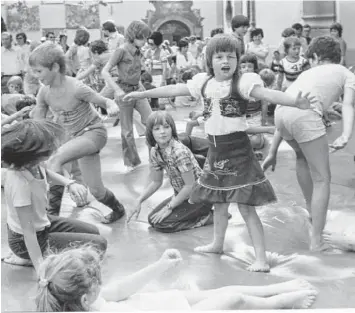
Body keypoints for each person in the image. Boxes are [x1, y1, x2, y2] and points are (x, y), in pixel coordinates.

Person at [123, 34, 316, 272]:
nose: (226, 61)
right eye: (220, 56)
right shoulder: (204, 82)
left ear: (237, 59)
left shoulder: (244, 82)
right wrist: (143, 95)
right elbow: (175, 87)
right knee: (219, 203)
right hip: (216, 150)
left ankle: (261, 259)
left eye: (231, 56)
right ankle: (217, 243)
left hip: (238, 151)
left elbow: (268, 95)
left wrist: (295, 102)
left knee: (246, 207)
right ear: (210, 60)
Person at [262, 36, 355, 251]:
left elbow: (288, 108)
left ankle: (313, 214)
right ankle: (317, 241)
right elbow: (349, 104)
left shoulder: (306, 73)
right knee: (323, 178)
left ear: (314, 57)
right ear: (339, 57)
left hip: (281, 115)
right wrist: (346, 134)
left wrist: (273, 151)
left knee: (302, 157)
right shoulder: (345, 73)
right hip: (305, 116)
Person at [35, 246, 318, 311]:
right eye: (98, 282)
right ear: (85, 299)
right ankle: (281, 301)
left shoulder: (81, 302)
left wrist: (159, 265)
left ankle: (279, 287)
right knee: (234, 298)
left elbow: (120, 290)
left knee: (225, 288)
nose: (103, 283)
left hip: (159, 304)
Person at [29, 43, 125, 224]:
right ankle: (118, 208)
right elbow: (39, 122)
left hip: (93, 133)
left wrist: (112, 106)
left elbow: (104, 101)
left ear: (55, 67)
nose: (36, 76)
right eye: (33, 71)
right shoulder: (44, 92)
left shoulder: (76, 87)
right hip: (73, 138)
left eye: (39, 71)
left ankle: (51, 219)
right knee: (96, 190)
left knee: (55, 161)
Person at [1, 120, 107, 276]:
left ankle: (39, 256)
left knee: (93, 231)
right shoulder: (20, 183)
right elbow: (28, 232)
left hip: (42, 222)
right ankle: (27, 258)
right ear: (31, 155)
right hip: (25, 240)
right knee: (99, 245)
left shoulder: (32, 164)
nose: (52, 149)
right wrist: (41, 271)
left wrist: (69, 183)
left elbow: (46, 173)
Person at [127, 111, 213, 233]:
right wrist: (138, 200)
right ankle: (196, 213)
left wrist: (169, 207)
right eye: (157, 128)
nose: (162, 132)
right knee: (153, 220)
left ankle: (207, 217)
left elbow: (189, 185)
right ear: (150, 133)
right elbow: (156, 181)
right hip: (182, 195)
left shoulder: (179, 152)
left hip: (199, 196)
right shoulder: (155, 152)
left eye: (166, 127)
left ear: (172, 129)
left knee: (163, 224)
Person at [102, 20, 153, 173]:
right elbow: (105, 71)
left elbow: (137, 74)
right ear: (134, 36)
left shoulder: (138, 51)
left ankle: (157, 155)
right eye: (143, 38)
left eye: (145, 38)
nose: (145, 41)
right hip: (123, 92)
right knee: (127, 131)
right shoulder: (121, 50)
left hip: (137, 89)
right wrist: (117, 90)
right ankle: (132, 162)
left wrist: (144, 92)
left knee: (151, 121)